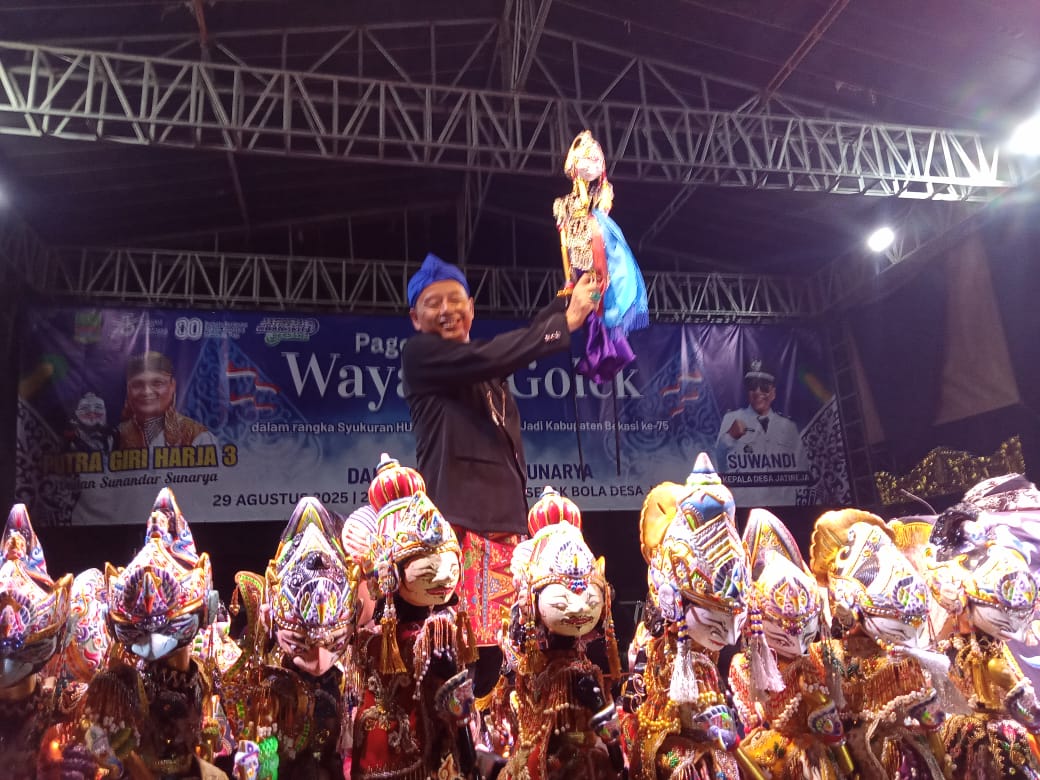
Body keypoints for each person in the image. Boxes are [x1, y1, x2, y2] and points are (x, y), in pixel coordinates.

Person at [400, 252, 598, 693]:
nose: (447, 310)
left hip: (508, 534)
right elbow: (493, 355)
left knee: (513, 665)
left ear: (471, 308)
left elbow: (500, 354)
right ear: (415, 318)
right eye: (433, 303)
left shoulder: (487, 372)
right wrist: (564, 322)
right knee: (463, 667)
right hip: (459, 534)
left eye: (455, 300)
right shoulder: (421, 356)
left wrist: (570, 291)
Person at [716, 359, 808, 506]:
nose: (758, 392)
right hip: (744, 505)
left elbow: (802, 467)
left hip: (782, 506)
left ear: (773, 393)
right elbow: (718, 462)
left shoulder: (788, 426)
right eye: (753, 386)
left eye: (764, 387)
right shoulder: (732, 418)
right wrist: (730, 436)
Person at [116, 351, 217, 449]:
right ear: (128, 389)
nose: (146, 392)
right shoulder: (115, 436)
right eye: (137, 384)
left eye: (157, 383)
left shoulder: (198, 437)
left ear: (172, 386)